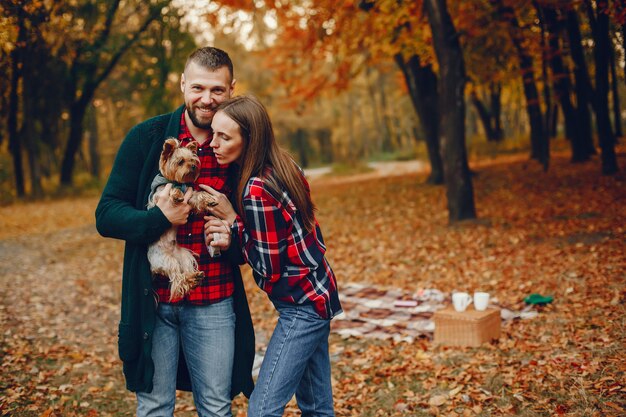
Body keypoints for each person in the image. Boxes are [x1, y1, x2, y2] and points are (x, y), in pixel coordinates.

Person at [95, 47, 254, 417]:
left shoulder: (240, 145)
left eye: (217, 90)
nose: (206, 98)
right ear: (183, 84)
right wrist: (160, 218)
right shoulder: (147, 138)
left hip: (215, 301)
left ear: (232, 88)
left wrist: (233, 229)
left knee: (216, 407)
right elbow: (107, 215)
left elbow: (257, 234)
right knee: (154, 407)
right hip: (153, 302)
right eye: (198, 87)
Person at [200, 95, 342, 417]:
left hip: (303, 307)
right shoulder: (284, 164)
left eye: (224, 137)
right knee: (318, 407)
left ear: (248, 140)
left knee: (262, 408)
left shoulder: (256, 190)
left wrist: (233, 221)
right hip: (320, 293)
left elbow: (269, 268)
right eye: (213, 134)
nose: (213, 144)